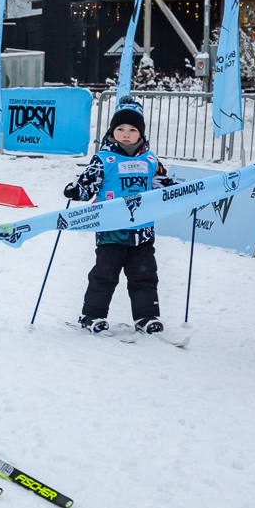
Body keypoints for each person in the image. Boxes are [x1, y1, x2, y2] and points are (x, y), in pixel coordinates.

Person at [63, 95, 174, 335]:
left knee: (144, 275)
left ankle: (147, 316)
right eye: (120, 129)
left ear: (141, 134)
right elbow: (88, 184)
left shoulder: (151, 160)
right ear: (112, 132)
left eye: (132, 129)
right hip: (111, 228)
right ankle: (92, 315)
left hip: (142, 231)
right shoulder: (104, 159)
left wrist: (174, 190)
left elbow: (162, 186)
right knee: (105, 274)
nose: (126, 134)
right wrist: (77, 191)